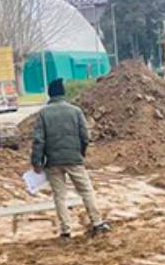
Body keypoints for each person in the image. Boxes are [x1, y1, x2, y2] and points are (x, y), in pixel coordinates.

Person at [31, 78, 110, 239]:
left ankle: (65, 230)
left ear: (50, 94)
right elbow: (85, 136)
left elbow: (39, 140)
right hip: (74, 159)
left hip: (53, 162)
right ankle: (97, 222)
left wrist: (36, 162)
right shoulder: (76, 111)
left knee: (59, 196)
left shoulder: (43, 113)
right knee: (86, 191)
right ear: (63, 93)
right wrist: (81, 153)